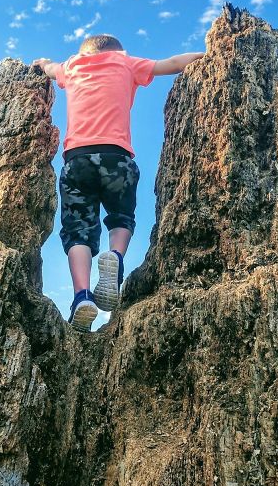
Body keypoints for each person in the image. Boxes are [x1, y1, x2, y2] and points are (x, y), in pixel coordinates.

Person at [33, 34, 203, 332]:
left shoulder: (72, 66)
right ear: (118, 51)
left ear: (83, 53)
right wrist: (210, 52)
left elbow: (49, 67)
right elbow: (174, 64)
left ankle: (82, 297)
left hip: (77, 160)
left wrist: (43, 63)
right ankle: (115, 256)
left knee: (78, 232)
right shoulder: (126, 63)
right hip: (117, 157)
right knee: (121, 217)